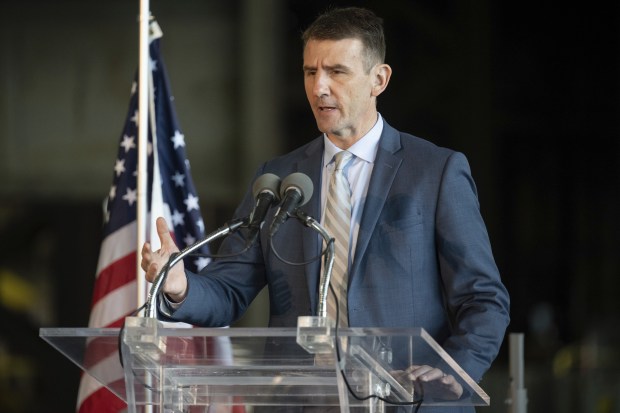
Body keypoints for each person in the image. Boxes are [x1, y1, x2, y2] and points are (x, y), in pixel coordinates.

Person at [141, 6, 510, 412]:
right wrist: (179, 286)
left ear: (379, 80)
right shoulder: (278, 180)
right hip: (304, 403)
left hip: (409, 403)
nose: (319, 87)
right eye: (309, 72)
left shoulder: (435, 172)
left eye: (337, 72)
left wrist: (453, 374)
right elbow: (229, 290)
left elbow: (483, 299)